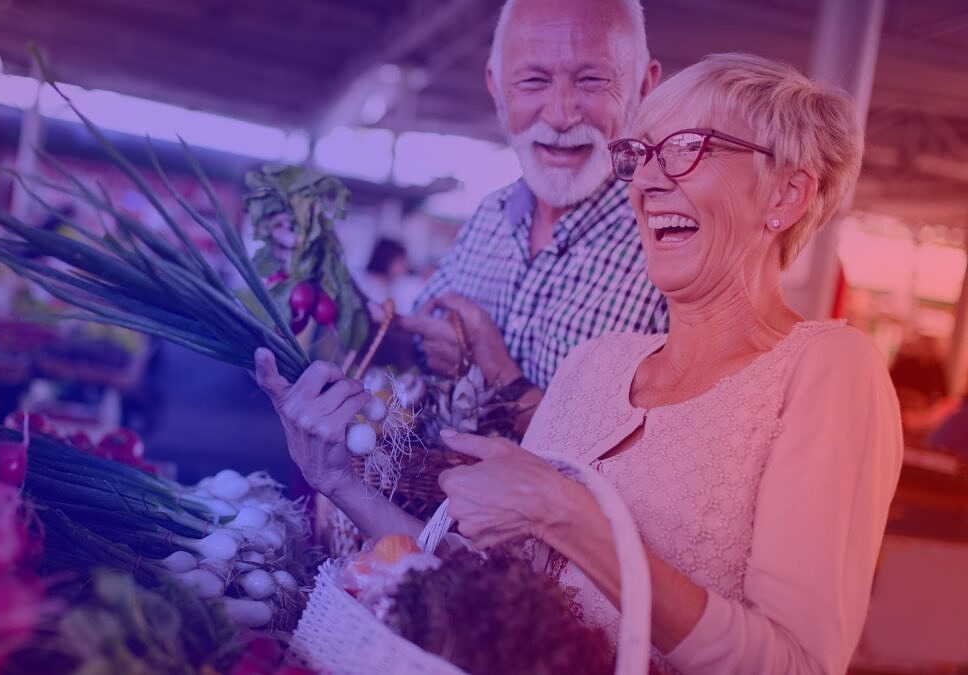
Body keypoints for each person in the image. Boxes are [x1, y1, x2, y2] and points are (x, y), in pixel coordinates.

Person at [256, 53, 903, 674]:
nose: (647, 182)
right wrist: (340, 482)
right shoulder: (595, 364)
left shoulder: (826, 369)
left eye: (688, 148)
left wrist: (567, 513)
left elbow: (795, 664)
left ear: (786, 195)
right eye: (642, 154)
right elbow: (492, 595)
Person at [394, 0, 668, 432]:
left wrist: (495, 370)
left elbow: (658, 454)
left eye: (592, 80)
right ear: (496, 87)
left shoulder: (669, 245)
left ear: (644, 86)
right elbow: (414, 348)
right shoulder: (491, 214)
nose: (560, 115)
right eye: (533, 81)